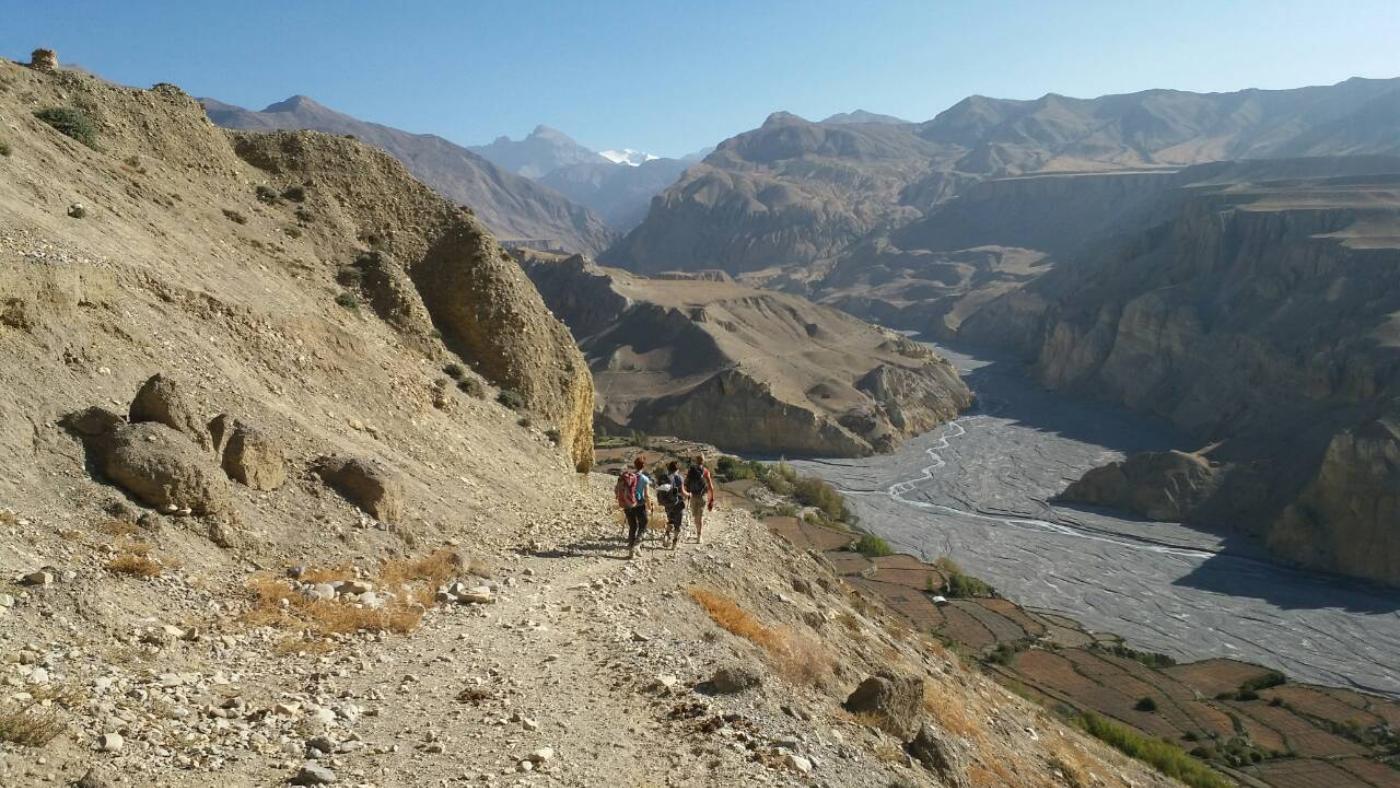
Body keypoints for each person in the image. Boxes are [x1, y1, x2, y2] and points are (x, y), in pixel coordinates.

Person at [619, 456, 652, 559]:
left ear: (634, 465)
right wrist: (649, 505)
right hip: (640, 506)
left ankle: (630, 551)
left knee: (633, 527)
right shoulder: (644, 478)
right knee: (644, 524)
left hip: (628, 505)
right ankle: (637, 545)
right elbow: (646, 495)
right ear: (644, 466)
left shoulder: (629, 477)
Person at [684, 453, 715, 543]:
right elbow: (710, 486)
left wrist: (686, 494)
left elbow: (686, 483)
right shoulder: (705, 471)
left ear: (696, 460)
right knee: (700, 516)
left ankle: (698, 532)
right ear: (703, 460)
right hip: (702, 496)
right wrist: (711, 499)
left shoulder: (691, 470)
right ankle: (699, 536)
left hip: (693, 496)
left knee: (695, 516)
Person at [659, 460, 689, 549]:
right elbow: (683, 492)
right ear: (677, 469)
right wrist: (689, 494)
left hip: (667, 504)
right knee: (677, 524)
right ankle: (674, 543)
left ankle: (666, 536)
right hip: (678, 504)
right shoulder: (679, 478)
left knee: (670, 520)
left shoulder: (664, 477)